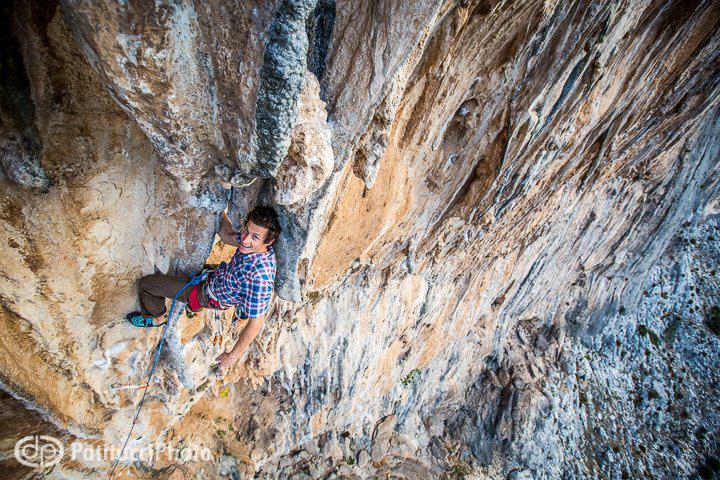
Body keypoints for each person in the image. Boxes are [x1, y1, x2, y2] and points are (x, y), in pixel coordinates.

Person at [126, 206, 280, 371]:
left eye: (254, 237)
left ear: (268, 241)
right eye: (246, 231)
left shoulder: (260, 277)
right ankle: (193, 308)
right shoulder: (250, 243)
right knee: (196, 285)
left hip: (207, 294)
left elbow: (256, 323)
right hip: (217, 278)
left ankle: (156, 317)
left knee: (147, 285)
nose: (245, 239)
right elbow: (228, 236)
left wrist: (232, 356)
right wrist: (217, 207)